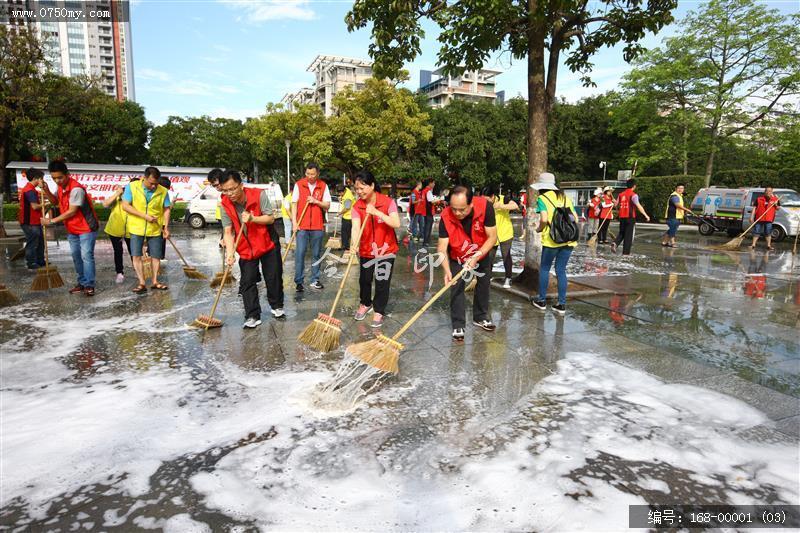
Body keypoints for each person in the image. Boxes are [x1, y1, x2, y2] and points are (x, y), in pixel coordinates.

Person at [219, 170, 285, 328]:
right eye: (225, 190)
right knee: (247, 280)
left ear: (241, 185)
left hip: (267, 242)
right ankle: (252, 315)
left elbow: (270, 218)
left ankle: (276, 305)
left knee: (273, 276)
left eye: (233, 188)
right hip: (246, 247)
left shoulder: (258, 195)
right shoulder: (225, 205)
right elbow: (228, 232)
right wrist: (230, 253)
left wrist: (253, 218)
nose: (230, 193)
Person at [438, 185, 498, 340]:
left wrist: (476, 256)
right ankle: (458, 324)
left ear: (471, 204)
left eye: (462, 209)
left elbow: (492, 237)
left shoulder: (486, 207)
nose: (457, 213)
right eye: (454, 209)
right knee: (456, 285)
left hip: (480, 250)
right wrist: (446, 270)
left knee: (483, 283)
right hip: (457, 253)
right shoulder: (445, 216)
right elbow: (442, 247)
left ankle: (480, 316)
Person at [350, 170, 401, 328]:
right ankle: (366, 303)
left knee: (382, 281)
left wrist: (377, 212)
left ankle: (379, 310)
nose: (359, 192)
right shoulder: (357, 206)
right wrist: (354, 244)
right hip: (366, 249)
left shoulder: (387, 202)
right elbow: (355, 227)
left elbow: (396, 223)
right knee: (364, 280)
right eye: (357, 189)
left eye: (362, 187)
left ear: (372, 185)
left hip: (386, 250)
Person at [41, 161, 100, 296]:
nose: (57, 180)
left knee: (86, 256)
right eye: (54, 178)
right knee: (76, 256)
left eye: (60, 177)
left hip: (86, 228)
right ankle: (82, 282)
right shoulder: (60, 187)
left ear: (67, 174)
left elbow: (72, 211)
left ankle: (89, 285)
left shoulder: (76, 189)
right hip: (72, 228)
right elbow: (55, 202)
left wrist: (51, 221)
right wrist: (46, 190)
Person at [528, 173, 578, 315]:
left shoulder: (542, 198)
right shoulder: (564, 197)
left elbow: (543, 219)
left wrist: (539, 229)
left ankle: (542, 301)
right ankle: (561, 304)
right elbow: (575, 219)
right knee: (561, 270)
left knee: (544, 268)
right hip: (569, 240)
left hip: (552, 240)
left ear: (541, 187)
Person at [121, 166, 171, 294]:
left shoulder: (163, 191)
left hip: (155, 228)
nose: (154, 186)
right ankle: (142, 282)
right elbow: (125, 206)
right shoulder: (131, 187)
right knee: (136, 255)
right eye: (151, 183)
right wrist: (145, 216)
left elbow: (166, 209)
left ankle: (155, 281)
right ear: (144, 178)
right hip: (136, 227)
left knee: (156, 255)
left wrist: (166, 227)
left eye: (156, 183)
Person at [291, 162, 331, 292]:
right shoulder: (299, 185)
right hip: (301, 226)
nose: (310, 176)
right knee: (300, 253)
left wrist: (316, 201)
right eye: (308, 174)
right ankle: (299, 281)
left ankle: (315, 279)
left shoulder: (323, 186)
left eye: (313, 174)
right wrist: (294, 223)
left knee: (316, 254)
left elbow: (327, 205)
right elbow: (294, 204)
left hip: (317, 226)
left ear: (317, 173)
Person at [102, 181, 135, 283]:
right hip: (115, 229)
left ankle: (138, 270)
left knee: (134, 252)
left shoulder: (139, 197)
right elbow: (105, 204)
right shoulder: (119, 195)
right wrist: (117, 193)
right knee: (118, 251)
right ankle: (119, 273)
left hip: (132, 229)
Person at [486, 185, 518, 288]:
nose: (486, 201)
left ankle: (508, 278)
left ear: (492, 196)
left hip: (505, 233)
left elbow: (515, 206)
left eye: (487, 199)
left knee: (506, 256)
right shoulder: (484, 203)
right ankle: (487, 277)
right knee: (489, 257)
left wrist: (501, 206)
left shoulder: (504, 199)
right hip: (491, 234)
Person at [611, 178, 650, 255]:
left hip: (622, 217)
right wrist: (646, 215)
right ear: (634, 186)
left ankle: (615, 243)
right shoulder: (633, 195)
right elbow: (638, 206)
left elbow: (616, 205)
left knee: (622, 232)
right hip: (630, 217)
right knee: (628, 235)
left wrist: (614, 201)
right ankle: (626, 253)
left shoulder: (621, 194)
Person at [18, 167, 46, 270]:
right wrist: (46, 204)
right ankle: (31, 262)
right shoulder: (30, 190)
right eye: (41, 178)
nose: (42, 181)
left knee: (40, 241)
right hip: (29, 221)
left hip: (33, 220)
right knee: (33, 242)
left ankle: (40, 260)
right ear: (36, 178)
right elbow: (35, 206)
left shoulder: (30, 189)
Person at [661, 183, 694, 248]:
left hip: (677, 216)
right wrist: (687, 209)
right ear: (676, 189)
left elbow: (684, 195)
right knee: (673, 229)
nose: (680, 189)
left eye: (682, 188)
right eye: (679, 188)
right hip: (672, 216)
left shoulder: (679, 195)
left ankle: (664, 242)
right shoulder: (674, 196)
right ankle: (673, 243)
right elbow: (677, 205)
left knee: (673, 229)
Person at [750, 186, 780, 251]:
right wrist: (751, 217)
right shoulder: (759, 199)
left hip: (769, 219)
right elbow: (754, 208)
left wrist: (776, 205)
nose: (768, 192)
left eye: (769, 191)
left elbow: (778, 208)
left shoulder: (775, 199)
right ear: (764, 191)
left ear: (772, 192)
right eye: (766, 191)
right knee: (756, 231)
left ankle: (768, 246)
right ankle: (753, 245)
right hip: (759, 218)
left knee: (768, 232)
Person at [207, 168, 224, 248]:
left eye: (217, 184)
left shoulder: (230, 193)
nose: (217, 188)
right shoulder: (221, 194)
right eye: (214, 186)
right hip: (221, 216)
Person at [418, 178, 436, 245]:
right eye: (433, 183)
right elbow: (431, 201)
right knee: (428, 226)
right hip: (428, 211)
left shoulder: (424, 190)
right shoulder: (428, 191)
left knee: (426, 226)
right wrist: (440, 199)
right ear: (430, 183)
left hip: (425, 211)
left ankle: (426, 241)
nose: (434, 184)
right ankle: (426, 242)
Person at [340, 178, 356, 252]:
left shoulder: (348, 197)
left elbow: (347, 208)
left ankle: (346, 247)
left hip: (349, 217)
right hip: (346, 216)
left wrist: (339, 213)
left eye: (340, 193)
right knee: (344, 232)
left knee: (346, 233)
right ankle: (345, 245)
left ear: (344, 191)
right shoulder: (346, 190)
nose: (340, 194)